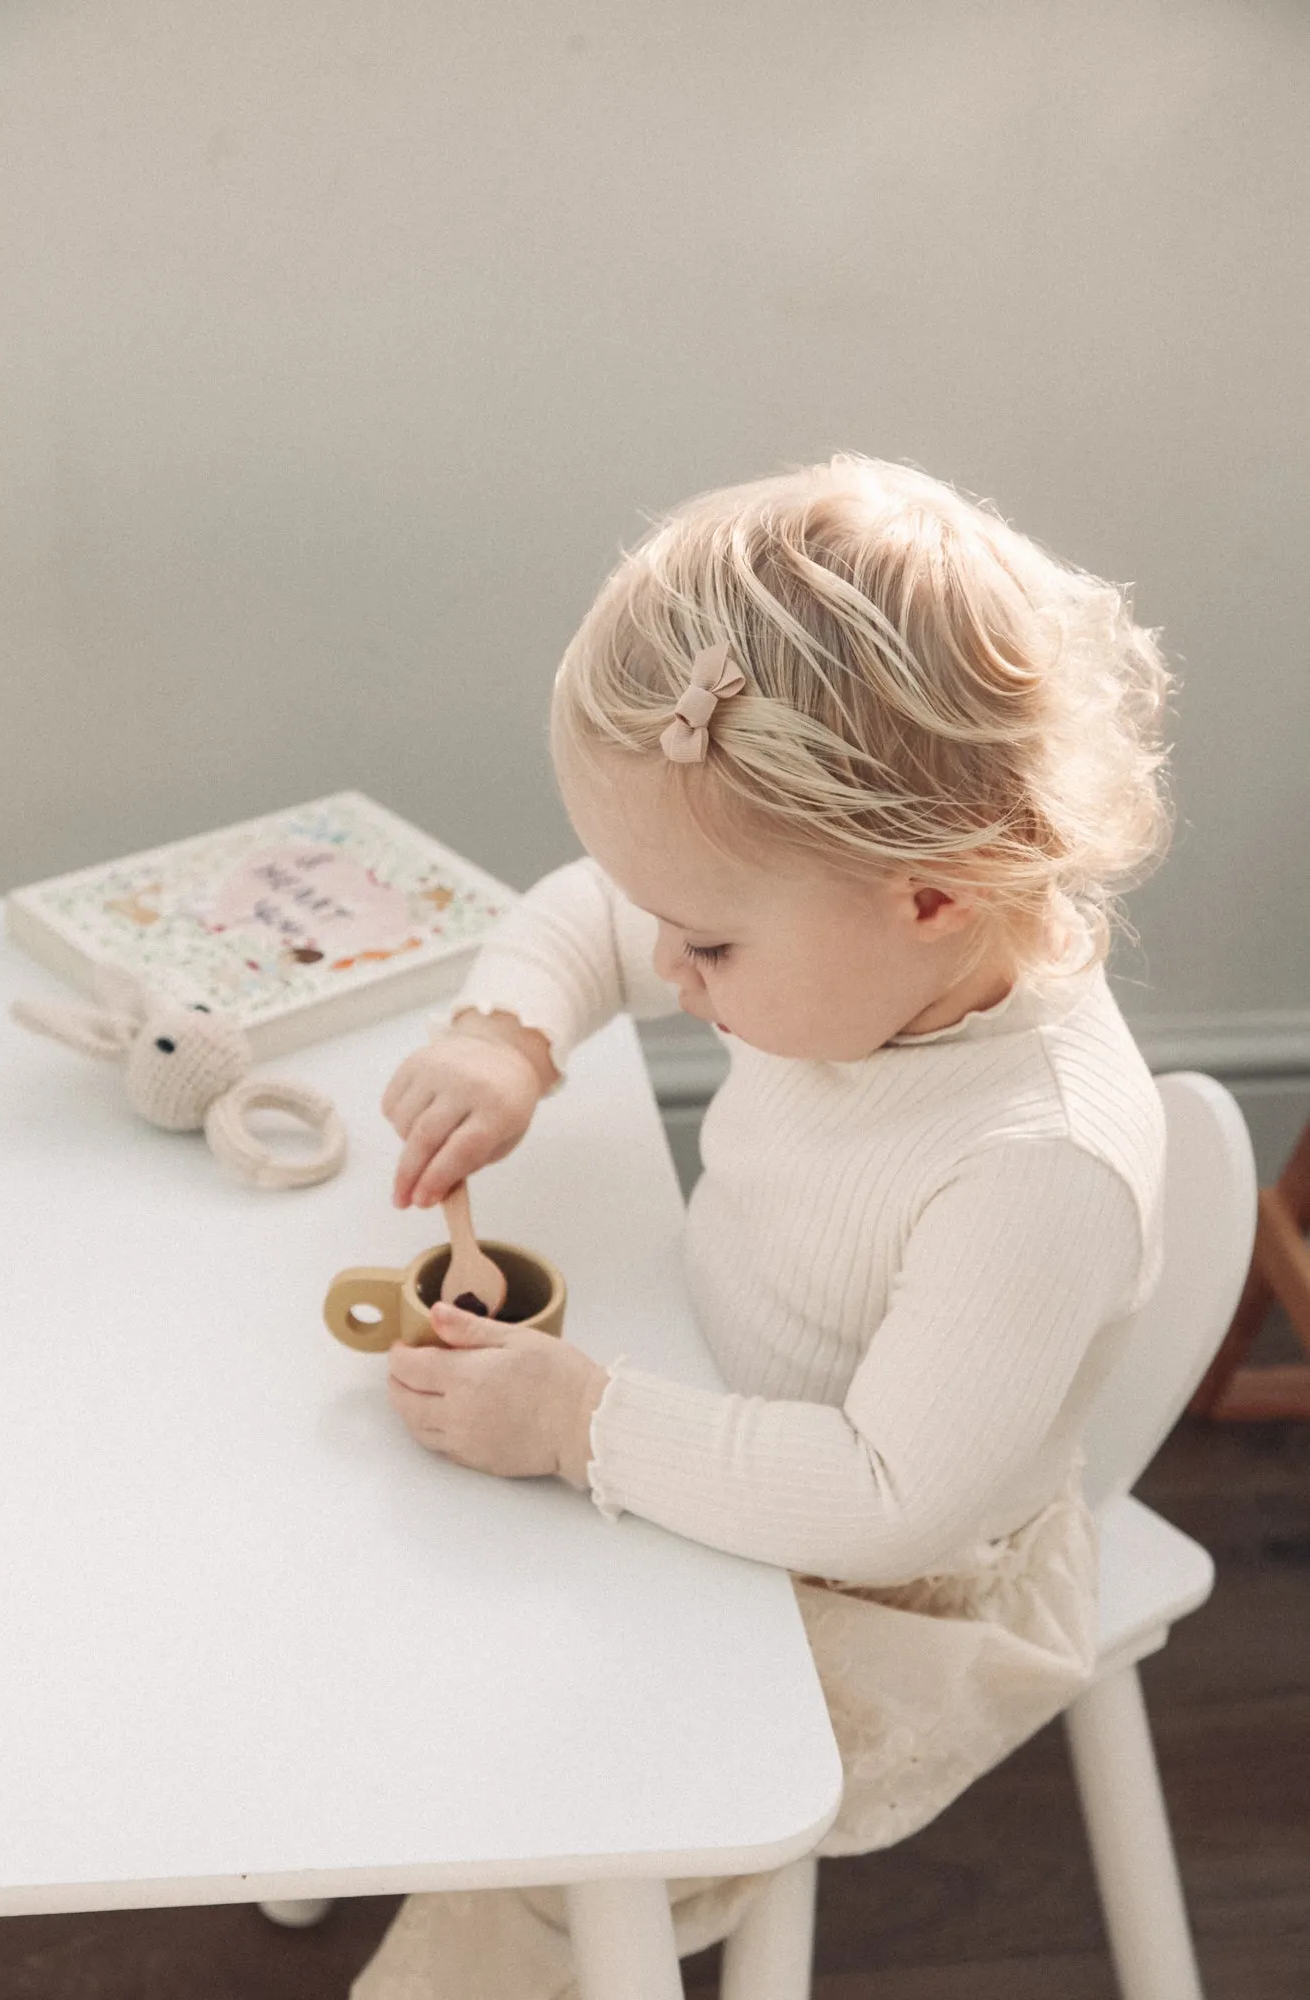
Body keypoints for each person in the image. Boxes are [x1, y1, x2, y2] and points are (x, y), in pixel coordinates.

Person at [351, 453, 1174, 1998]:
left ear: (928, 895)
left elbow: (887, 1497)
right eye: (665, 919)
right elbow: (596, 911)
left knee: (564, 1828)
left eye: (707, 941)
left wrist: (585, 1426)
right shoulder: (846, 940)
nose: (665, 964)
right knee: (383, 1584)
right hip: (694, 1396)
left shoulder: (1035, 1164)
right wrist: (506, 1039)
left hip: (872, 1591)